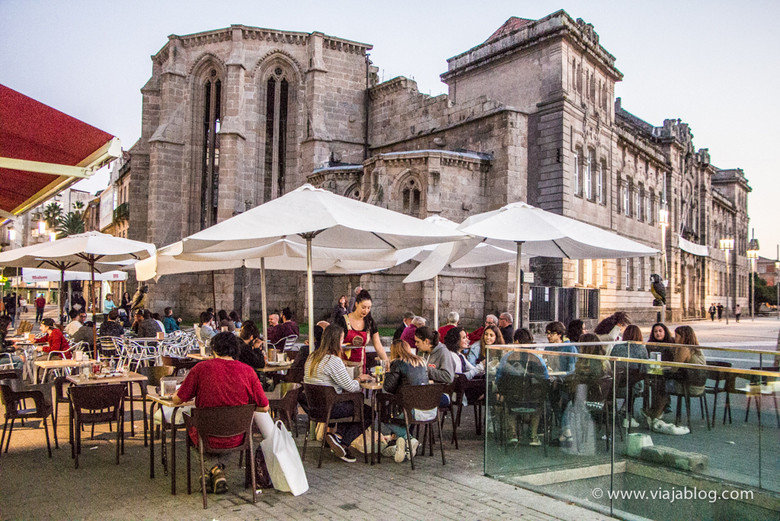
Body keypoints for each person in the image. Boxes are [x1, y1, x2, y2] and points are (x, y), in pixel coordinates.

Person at [172, 332, 269, 494]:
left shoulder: (200, 369)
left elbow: (177, 400)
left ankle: (213, 470)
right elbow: (264, 407)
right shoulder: (248, 371)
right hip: (239, 436)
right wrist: (246, 408)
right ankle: (216, 471)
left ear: (214, 349)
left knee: (191, 428)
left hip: (206, 435)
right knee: (224, 435)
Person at [303, 324, 372, 463]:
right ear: (336, 341)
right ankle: (343, 442)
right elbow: (352, 387)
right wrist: (359, 378)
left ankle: (338, 437)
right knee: (368, 412)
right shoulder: (333, 361)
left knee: (351, 404)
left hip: (314, 408)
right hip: (331, 408)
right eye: (342, 339)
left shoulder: (311, 357)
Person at [642, 325, 706, 430]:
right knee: (663, 384)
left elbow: (674, 368)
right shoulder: (695, 348)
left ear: (683, 337)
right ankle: (656, 412)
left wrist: (663, 367)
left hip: (688, 386)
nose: (674, 338)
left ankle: (654, 414)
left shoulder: (684, 348)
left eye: (677, 336)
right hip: (699, 385)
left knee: (661, 385)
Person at [381, 339, 427, 462]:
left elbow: (388, 387)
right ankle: (402, 443)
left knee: (382, 414)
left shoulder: (397, 363)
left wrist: (387, 373)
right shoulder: (421, 361)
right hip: (426, 408)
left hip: (408, 409)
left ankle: (409, 439)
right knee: (397, 409)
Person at [334, 289, 389, 368]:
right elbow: (335, 345)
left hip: (361, 365)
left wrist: (386, 362)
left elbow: (378, 345)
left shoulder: (369, 322)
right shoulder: (342, 320)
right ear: (356, 304)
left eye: (369, 308)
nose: (366, 311)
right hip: (343, 365)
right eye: (363, 307)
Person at [608, 325, 648, 428]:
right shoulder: (641, 349)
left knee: (631, 380)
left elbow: (610, 365)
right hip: (630, 388)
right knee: (637, 382)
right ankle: (628, 412)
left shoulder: (617, 347)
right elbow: (645, 370)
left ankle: (623, 410)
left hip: (614, 386)